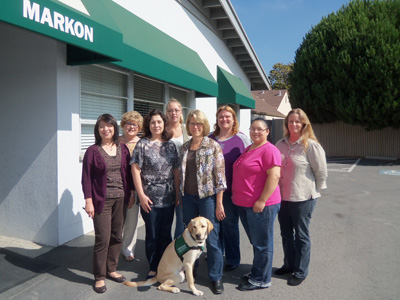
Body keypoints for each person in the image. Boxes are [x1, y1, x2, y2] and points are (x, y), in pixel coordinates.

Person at [81, 113, 134, 294]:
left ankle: (111, 269)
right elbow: (86, 178)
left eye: (109, 126)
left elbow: (128, 174)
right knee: (102, 239)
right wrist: (89, 201)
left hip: (122, 198)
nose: (106, 129)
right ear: (98, 129)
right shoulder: (92, 151)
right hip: (101, 201)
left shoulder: (123, 148)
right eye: (102, 126)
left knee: (117, 236)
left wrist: (132, 193)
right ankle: (99, 277)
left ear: (114, 128)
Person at [275, 108, 328, 286]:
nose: (294, 124)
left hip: (303, 197)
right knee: (286, 234)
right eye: (291, 121)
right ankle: (289, 265)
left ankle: (301, 270)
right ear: (286, 124)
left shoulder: (310, 145)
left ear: (304, 124)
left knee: (301, 236)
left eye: (298, 121)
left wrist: (316, 191)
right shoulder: (280, 144)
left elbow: (321, 170)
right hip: (282, 198)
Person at [180, 110, 226, 294]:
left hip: (207, 199)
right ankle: (193, 269)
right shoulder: (184, 148)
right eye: (192, 123)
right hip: (188, 198)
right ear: (188, 126)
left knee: (212, 239)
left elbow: (220, 177)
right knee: (191, 236)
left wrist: (219, 203)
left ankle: (216, 277)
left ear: (204, 126)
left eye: (198, 123)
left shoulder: (213, 146)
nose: (195, 126)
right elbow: (181, 175)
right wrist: (179, 196)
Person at [232, 118, 281, 291]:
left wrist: (262, 200)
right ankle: (257, 272)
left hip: (261, 205)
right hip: (245, 204)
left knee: (263, 244)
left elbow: (274, 176)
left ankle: (261, 279)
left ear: (267, 131)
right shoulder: (250, 148)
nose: (255, 132)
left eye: (260, 129)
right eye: (253, 129)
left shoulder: (269, 150)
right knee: (257, 242)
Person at [131, 109, 180, 279]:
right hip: (148, 198)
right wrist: (141, 195)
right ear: (148, 125)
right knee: (152, 233)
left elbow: (176, 171)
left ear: (164, 124)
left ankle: (165, 265)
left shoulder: (171, 145)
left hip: (168, 197)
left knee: (166, 233)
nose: (156, 125)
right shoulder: (142, 144)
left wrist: (177, 195)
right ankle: (153, 266)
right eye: (153, 122)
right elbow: (135, 170)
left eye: (159, 122)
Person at [209, 105, 251, 272]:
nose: (224, 119)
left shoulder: (242, 138)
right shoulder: (210, 139)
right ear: (217, 119)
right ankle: (216, 254)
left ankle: (233, 259)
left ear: (234, 119)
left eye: (228, 117)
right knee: (213, 225)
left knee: (230, 225)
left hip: (232, 191)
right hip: (211, 191)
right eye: (221, 117)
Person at [119, 111, 143, 262]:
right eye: (129, 123)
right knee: (116, 220)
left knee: (132, 220)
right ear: (123, 125)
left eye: (135, 124)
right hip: (118, 186)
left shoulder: (142, 142)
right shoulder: (115, 141)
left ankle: (128, 248)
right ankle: (114, 246)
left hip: (135, 186)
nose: (132, 127)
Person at [166, 98, 189, 239]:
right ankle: (165, 251)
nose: (173, 113)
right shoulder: (161, 129)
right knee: (165, 220)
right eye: (170, 110)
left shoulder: (188, 129)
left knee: (181, 220)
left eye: (176, 110)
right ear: (166, 113)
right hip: (164, 182)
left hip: (184, 181)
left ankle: (179, 251)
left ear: (181, 112)